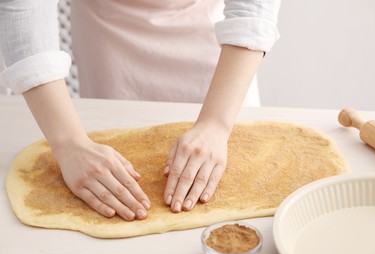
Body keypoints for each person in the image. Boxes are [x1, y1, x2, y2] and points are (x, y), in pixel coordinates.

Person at [0, 0, 281, 221]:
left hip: (216, 45)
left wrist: (217, 124)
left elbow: (254, 5)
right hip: (109, 36)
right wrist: (69, 144)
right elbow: (23, 7)